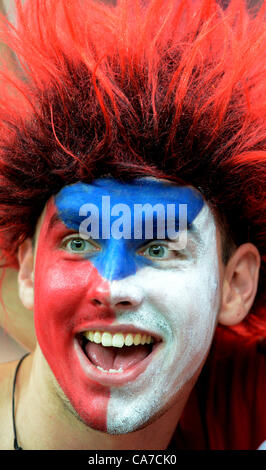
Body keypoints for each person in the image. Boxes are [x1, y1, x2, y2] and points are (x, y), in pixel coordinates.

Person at [0, 0, 265, 450]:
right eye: (80, 242)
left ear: (235, 284)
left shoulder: (241, 408)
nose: (110, 286)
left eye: (159, 248)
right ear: (28, 268)